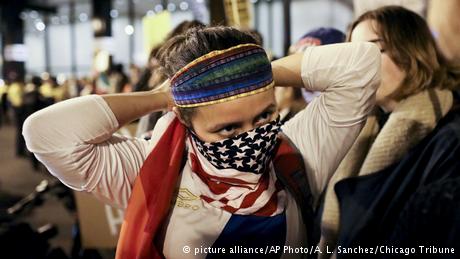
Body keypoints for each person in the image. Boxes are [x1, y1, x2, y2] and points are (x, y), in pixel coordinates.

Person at [23, 26, 380, 258]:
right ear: (184, 120)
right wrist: (163, 96)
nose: (251, 138)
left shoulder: (296, 154)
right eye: (226, 129)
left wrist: (244, 72)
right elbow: (45, 133)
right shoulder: (148, 171)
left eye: (264, 116)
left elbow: (361, 65)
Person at [318, 6, 460, 258]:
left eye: (374, 50)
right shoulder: (356, 131)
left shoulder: (450, 137)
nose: (358, 66)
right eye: (352, 55)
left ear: (412, 51)